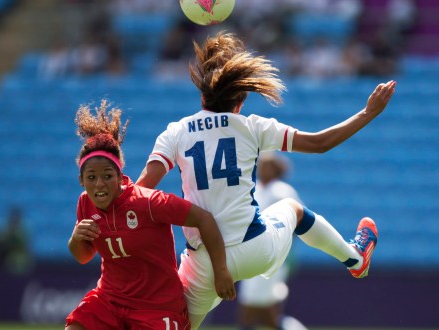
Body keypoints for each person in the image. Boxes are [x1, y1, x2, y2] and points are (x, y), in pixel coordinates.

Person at [136, 32, 396, 329]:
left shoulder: (176, 131)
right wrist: (367, 113)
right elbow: (320, 143)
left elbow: (142, 189)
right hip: (254, 249)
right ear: (242, 99)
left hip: (204, 263)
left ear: (202, 96)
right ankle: (354, 259)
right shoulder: (252, 127)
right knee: (293, 209)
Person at [65, 100, 235, 330]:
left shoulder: (148, 202)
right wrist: (75, 239)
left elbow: (204, 219)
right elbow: (83, 256)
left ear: (119, 176)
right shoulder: (85, 202)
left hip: (157, 307)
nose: (99, 184)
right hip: (110, 300)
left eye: (107, 175)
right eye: (91, 178)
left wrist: (221, 271)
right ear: (81, 181)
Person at [237, 152, 306, 330]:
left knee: (259, 310)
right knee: (259, 312)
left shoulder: (282, 191)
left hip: (273, 257)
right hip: (252, 256)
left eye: (266, 165)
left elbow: (298, 219)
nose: (261, 168)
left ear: (276, 169)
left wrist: (285, 253)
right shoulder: (255, 189)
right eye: (260, 165)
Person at [0, 205, 34, 275]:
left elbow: (24, 243)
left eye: (16, 217)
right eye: (13, 217)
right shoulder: (1, 226)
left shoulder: (25, 227)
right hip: (1, 253)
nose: (14, 219)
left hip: (18, 253)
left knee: (19, 260)